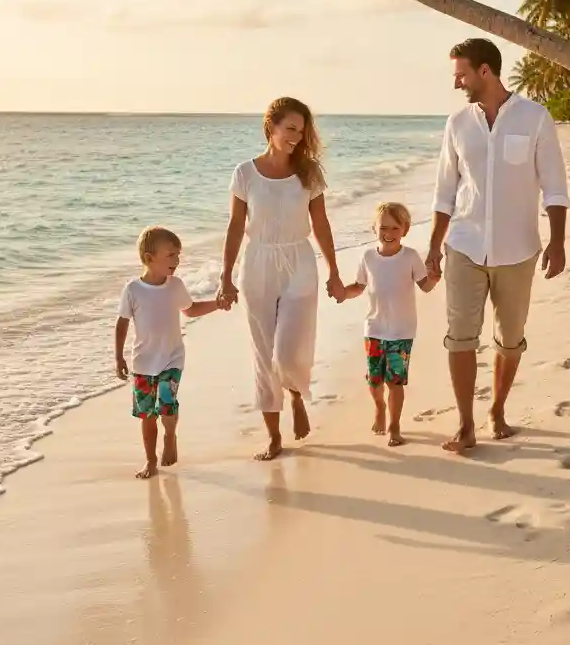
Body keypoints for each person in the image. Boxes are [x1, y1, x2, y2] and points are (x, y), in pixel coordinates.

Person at [426, 38, 570, 454]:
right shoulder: (457, 124)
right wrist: (435, 247)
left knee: (510, 340)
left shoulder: (535, 118)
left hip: (518, 249)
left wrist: (557, 241)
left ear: (484, 71)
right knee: (460, 338)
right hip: (464, 247)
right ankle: (466, 424)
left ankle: (498, 410)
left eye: (461, 74)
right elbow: (444, 193)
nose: (457, 82)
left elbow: (555, 187)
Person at [218, 97, 344, 461]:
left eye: (301, 131)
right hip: (257, 262)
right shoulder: (245, 173)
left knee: (288, 350)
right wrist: (225, 276)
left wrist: (334, 271)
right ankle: (274, 437)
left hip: (299, 261)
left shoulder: (309, 173)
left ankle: (296, 394)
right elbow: (235, 226)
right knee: (263, 354)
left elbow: (320, 223)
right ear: (270, 127)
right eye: (290, 128)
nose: (296, 137)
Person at [115, 226, 223, 479]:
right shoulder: (133, 289)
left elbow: (191, 309)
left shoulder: (175, 286)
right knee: (147, 414)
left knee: (167, 404)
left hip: (172, 358)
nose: (177, 260)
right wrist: (118, 356)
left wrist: (217, 304)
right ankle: (150, 460)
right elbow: (122, 322)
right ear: (149, 258)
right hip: (143, 362)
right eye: (171, 255)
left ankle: (170, 435)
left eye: (178, 255)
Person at [340, 202, 439, 447]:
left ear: (405, 230)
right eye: (383, 227)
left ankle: (395, 426)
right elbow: (359, 287)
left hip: (401, 330)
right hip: (374, 328)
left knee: (395, 380)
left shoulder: (411, 257)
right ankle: (379, 408)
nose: (389, 233)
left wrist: (435, 278)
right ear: (373, 228)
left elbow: (424, 286)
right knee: (374, 380)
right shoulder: (368, 257)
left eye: (395, 228)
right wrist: (342, 292)